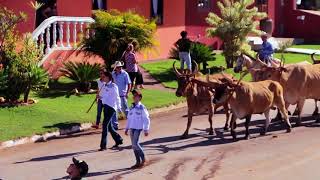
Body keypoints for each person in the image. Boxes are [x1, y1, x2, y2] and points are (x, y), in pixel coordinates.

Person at [125, 90, 150, 169]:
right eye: (133, 96)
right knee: (133, 145)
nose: (134, 97)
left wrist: (146, 129)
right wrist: (126, 128)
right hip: (132, 128)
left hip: (138, 128)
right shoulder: (131, 107)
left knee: (135, 143)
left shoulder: (142, 107)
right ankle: (137, 162)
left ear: (139, 98)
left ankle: (144, 159)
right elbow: (129, 119)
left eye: (136, 96)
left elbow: (146, 119)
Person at [98, 71, 123, 151]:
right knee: (109, 126)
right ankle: (118, 140)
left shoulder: (114, 86)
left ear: (108, 77)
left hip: (111, 108)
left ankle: (103, 146)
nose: (102, 78)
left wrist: (119, 108)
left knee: (105, 125)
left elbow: (117, 97)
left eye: (104, 76)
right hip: (106, 107)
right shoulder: (104, 85)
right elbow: (105, 97)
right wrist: (100, 97)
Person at [112, 61, 132, 129]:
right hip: (115, 95)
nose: (119, 68)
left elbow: (129, 84)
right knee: (114, 110)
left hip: (123, 95)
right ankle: (115, 125)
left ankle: (131, 123)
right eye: (118, 67)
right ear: (115, 68)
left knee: (126, 110)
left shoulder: (125, 74)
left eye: (120, 67)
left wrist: (127, 93)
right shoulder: (113, 74)